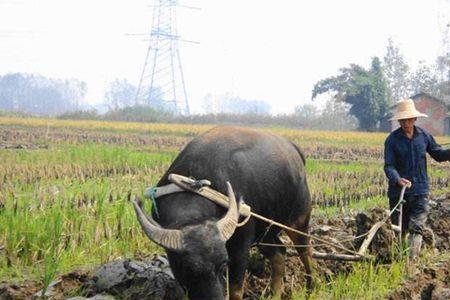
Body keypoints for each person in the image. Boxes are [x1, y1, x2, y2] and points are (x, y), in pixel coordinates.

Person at [384, 98, 450, 260]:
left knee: (417, 227)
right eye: (402, 120)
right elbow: (389, 166)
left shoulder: (424, 136)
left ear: (414, 119)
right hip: (399, 192)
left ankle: (411, 261)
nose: (405, 123)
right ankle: (399, 258)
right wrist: (398, 179)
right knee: (400, 228)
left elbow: (439, 154)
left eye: (408, 120)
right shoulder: (392, 140)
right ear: (399, 120)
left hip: (420, 190)